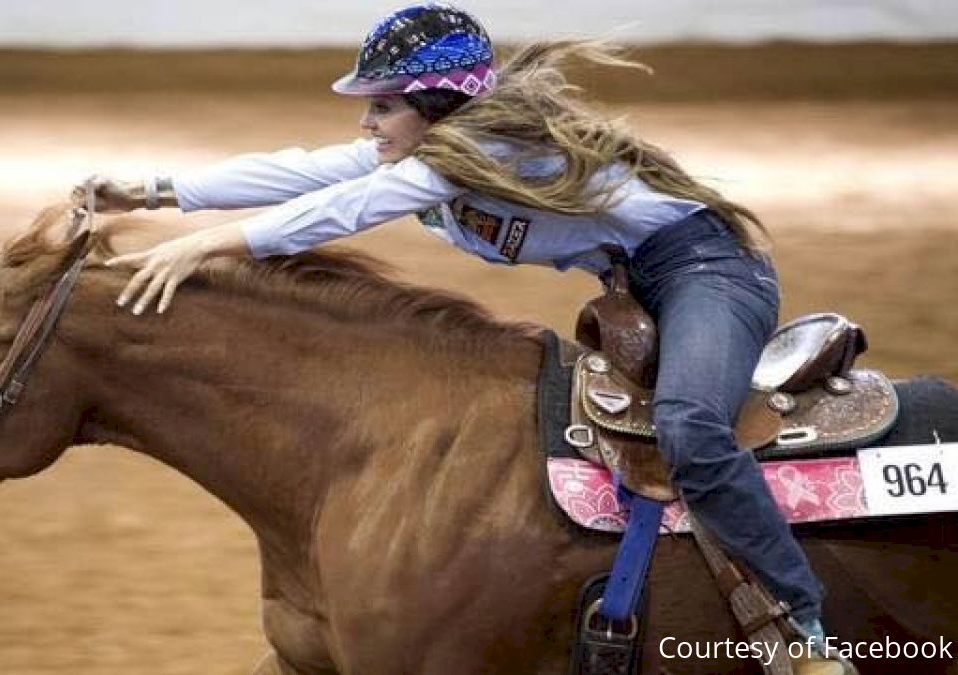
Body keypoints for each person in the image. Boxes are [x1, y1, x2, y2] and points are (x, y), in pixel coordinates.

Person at [74, 4, 850, 673]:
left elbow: (340, 212)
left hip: (709, 270)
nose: (366, 122)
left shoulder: (469, 155)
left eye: (381, 106)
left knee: (690, 429)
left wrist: (202, 245)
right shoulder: (428, 152)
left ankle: (801, 624)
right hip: (640, 282)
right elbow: (303, 174)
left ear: (435, 104)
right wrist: (152, 190)